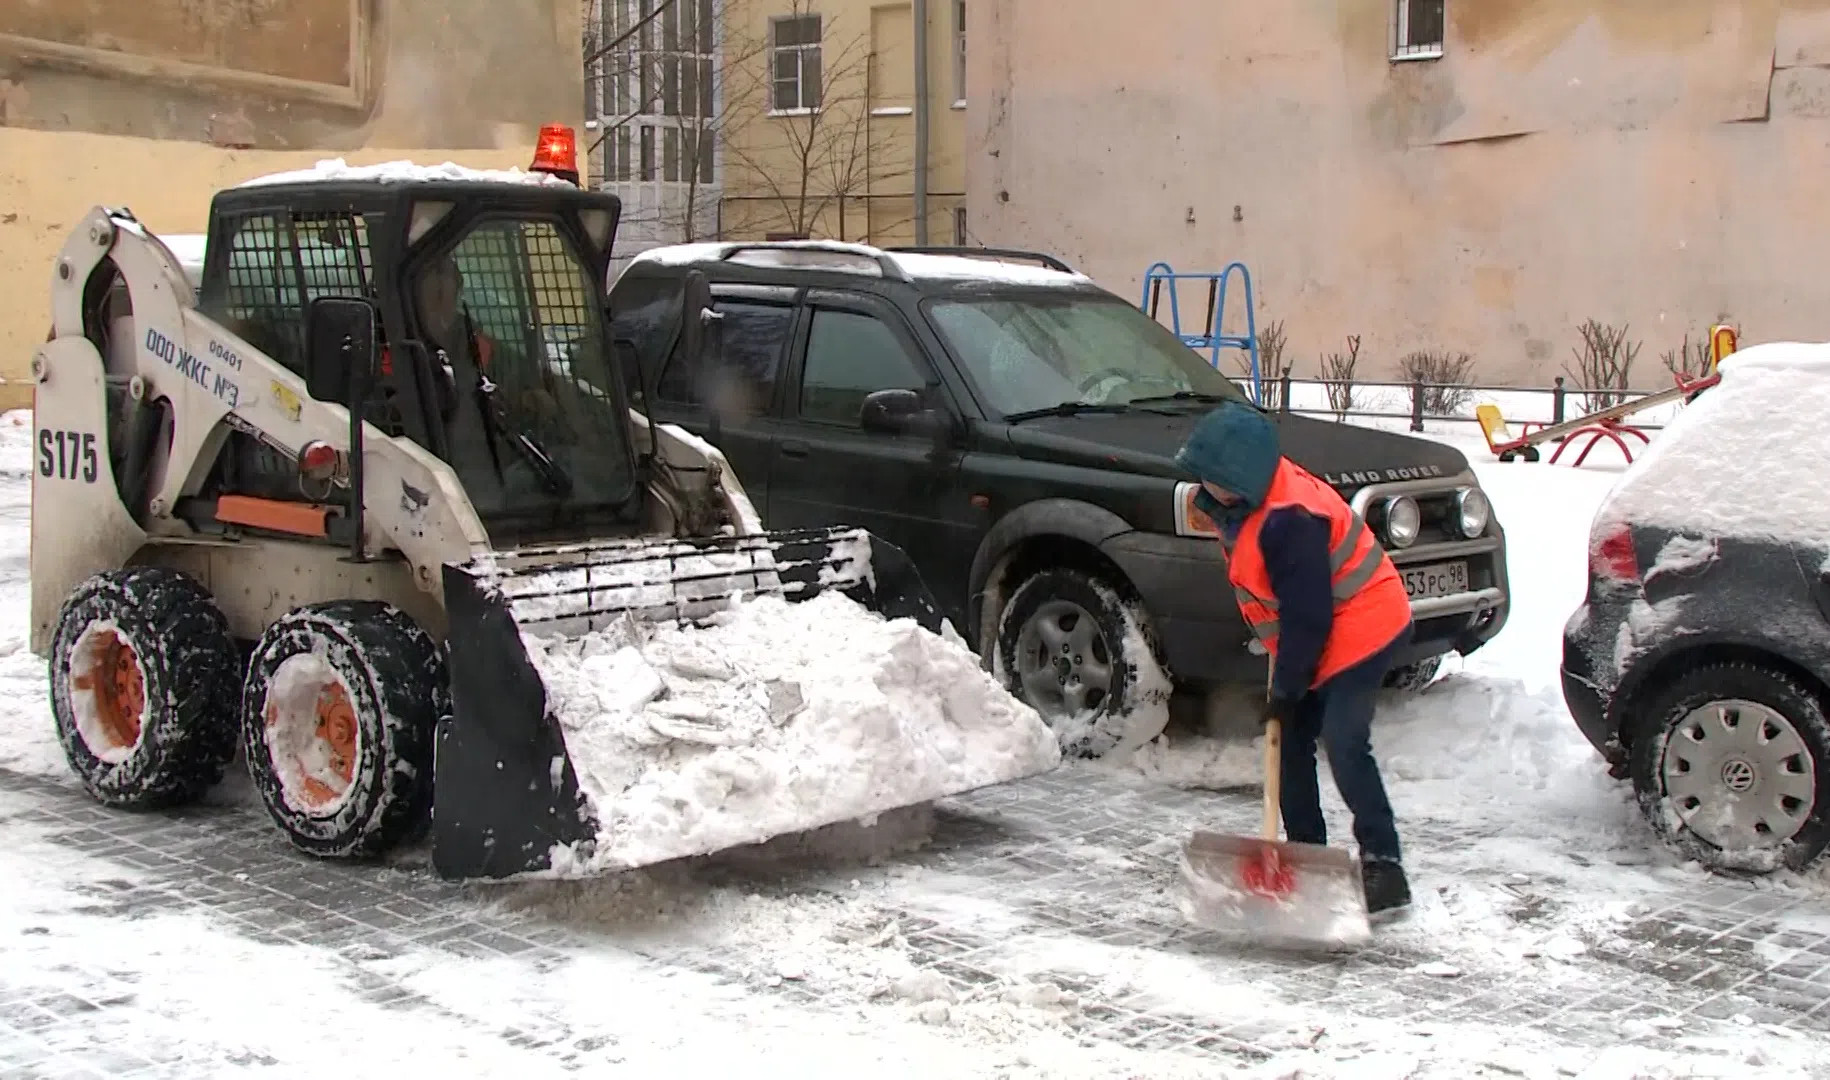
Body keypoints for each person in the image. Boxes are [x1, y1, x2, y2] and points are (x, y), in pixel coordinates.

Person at [1175, 399, 1416, 916]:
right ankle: (1306, 849)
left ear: (1237, 477)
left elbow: (1310, 616)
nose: (1202, 487)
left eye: (1208, 477)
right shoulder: (1242, 502)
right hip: (1319, 629)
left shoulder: (1289, 521)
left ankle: (1385, 865)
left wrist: (1287, 689)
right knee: (1288, 743)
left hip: (1367, 621)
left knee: (1344, 739)